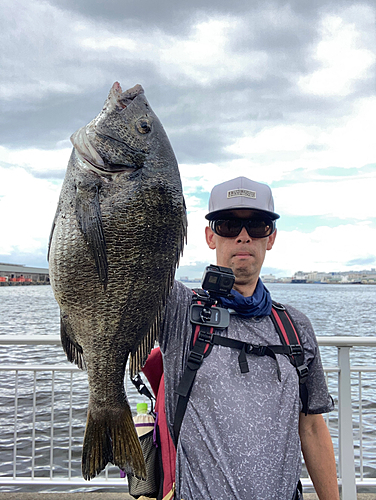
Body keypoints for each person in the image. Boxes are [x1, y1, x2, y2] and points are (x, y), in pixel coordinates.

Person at [157, 176, 339, 500]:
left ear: (270, 238)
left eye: (256, 226)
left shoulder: (295, 327)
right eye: (228, 225)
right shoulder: (178, 312)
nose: (243, 236)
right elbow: (122, 269)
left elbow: (311, 427)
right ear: (210, 236)